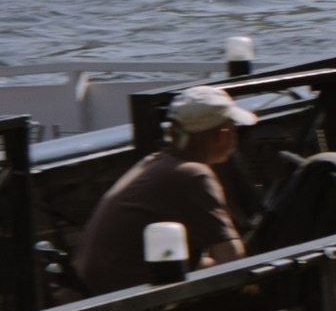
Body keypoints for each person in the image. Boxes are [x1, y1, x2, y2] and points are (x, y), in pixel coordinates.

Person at [73, 85, 250, 293]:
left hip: (93, 294)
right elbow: (235, 264)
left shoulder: (157, 163)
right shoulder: (193, 176)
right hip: (125, 308)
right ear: (223, 135)